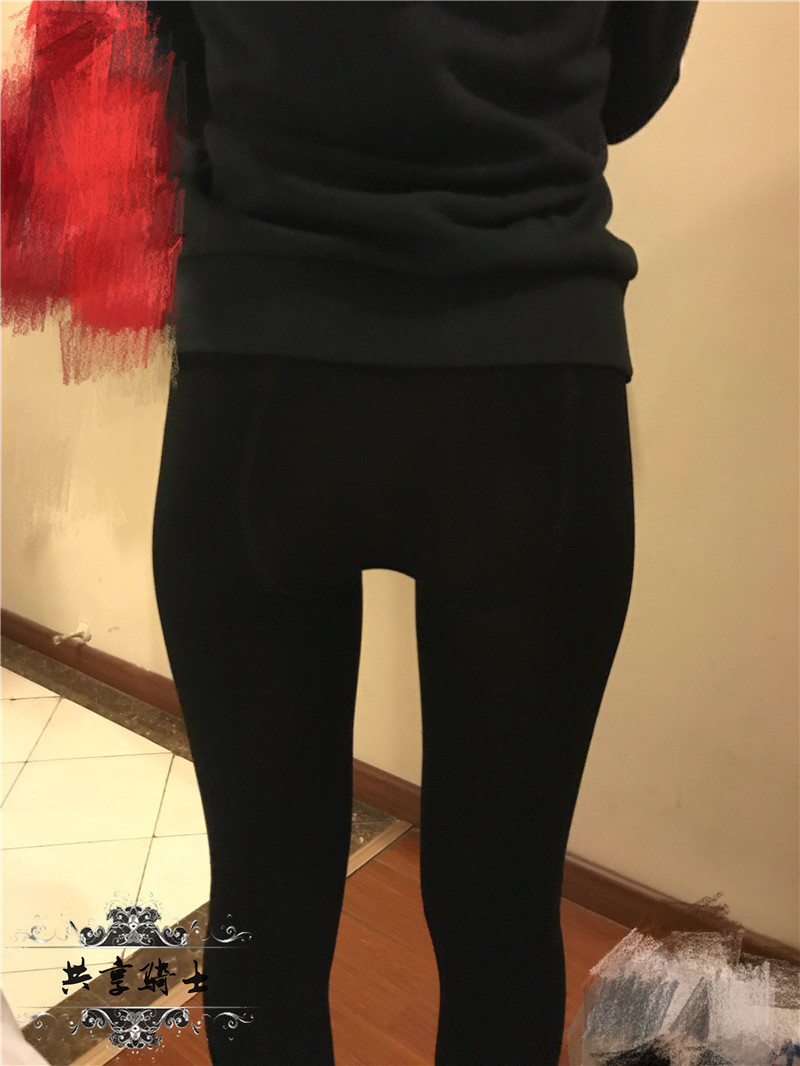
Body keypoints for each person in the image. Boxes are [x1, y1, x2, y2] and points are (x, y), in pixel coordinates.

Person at [147, 3, 699, 1064]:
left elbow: (172, 51)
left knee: (263, 905)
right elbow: (629, 79)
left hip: (260, 364)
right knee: (503, 915)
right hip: (531, 372)